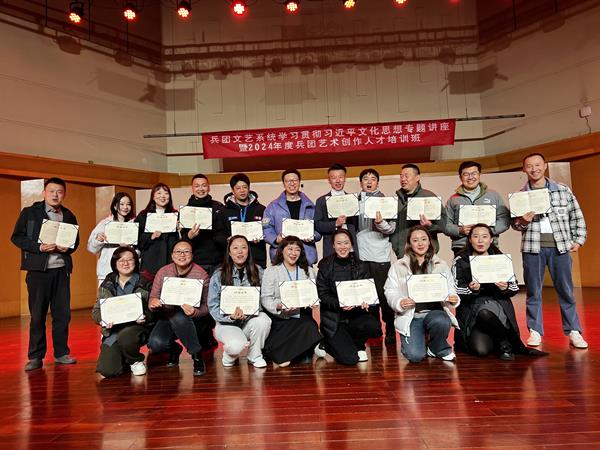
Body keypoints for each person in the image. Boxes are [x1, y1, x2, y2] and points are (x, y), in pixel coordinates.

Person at [511, 153, 588, 349]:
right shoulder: (520, 196)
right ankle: (535, 331)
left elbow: (576, 216)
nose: (534, 169)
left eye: (538, 165)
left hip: (560, 247)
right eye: (529, 166)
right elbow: (516, 226)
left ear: (544, 166)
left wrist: (579, 240)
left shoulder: (562, 190)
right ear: (524, 169)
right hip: (532, 248)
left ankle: (574, 331)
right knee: (533, 292)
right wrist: (523, 221)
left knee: (566, 290)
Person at [11, 177, 80, 372]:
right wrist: (39, 247)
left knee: (62, 314)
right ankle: (35, 356)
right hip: (38, 272)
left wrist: (68, 248)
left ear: (64, 194)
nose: (55, 195)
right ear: (44, 193)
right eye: (51, 191)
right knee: (37, 316)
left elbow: (75, 242)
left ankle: (61, 353)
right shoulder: (30, 213)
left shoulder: (69, 215)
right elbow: (16, 237)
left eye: (59, 191)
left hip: (61, 270)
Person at [452, 224, 548, 360]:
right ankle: (511, 342)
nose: (480, 240)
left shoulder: (500, 258)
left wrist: (504, 287)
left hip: (497, 303)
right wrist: (471, 289)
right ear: (470, 239)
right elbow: (455, 290)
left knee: (485, 312)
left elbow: (514, 288)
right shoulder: (460, 260)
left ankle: (505, 345)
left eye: (485, 237)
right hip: (472, 308)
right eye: (476, 236)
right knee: (481, 350)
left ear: (491, 239)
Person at [384, 225, 460, 363]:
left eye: (424, 239)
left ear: (429, 242)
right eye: (415, 240)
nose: (420, 243)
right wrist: (399, 302)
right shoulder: (399, 266)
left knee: (441, 320)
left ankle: (438, 348)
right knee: (415, 356)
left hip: (435, 313)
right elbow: (390, 290)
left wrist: (453, 298)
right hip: (412, 316)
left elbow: (450, 287)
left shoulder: (440, 264)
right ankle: (422, 340)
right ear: (409, 243)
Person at [316, 229, 382, 365]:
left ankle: (358, 344)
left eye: (346, 243)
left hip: (355, 317)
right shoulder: (325, 265)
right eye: (339, 243)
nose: (343, 247)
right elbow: (322, 294)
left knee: (373, 325)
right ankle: (326, 343)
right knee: (350, 360)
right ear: (333, 245)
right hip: (334, 320)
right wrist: (340, 303)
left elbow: (368, 291)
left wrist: (366, 302)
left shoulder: (361, 265)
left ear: (351, 244)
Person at [147, 240, 210, 376]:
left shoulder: (201, 274)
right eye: (178, 252)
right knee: (155, 343)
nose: (182, 255)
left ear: (192, 255)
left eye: (186, 251)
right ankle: (174, 349)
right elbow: (152, 298)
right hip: (167, 316)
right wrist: (153, 304)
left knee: (179, 317)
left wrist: (195, 312)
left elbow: (207, 306)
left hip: (193, 320)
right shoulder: (163, 272)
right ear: (172, 255)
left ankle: (197, 355)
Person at [208, 235, 272, 368]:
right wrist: (230, 317)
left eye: (244, 247)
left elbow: (264, 298)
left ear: (248, 251)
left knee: (263, 320)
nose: (240, 251)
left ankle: (255, 355)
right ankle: (229, 356)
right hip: (226, 323)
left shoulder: (259, 271)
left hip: (249, 320)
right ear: (229, 252)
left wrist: (250, 312)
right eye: (235, 248)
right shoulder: (219, 274)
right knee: (235, 346)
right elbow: (212, 305)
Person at [261, 236, 323, 367]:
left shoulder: (308, 270)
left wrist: (314, 301)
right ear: (282, 250)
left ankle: (285, 355)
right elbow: (265, 298)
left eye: (297, 250)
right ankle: (300, 349)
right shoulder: (271, 271)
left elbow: (315, 293)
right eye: (290, 249)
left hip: (301, 316)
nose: (293, 253)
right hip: (280, 318)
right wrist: (278, 306)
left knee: (310, 326)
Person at [92, 246, 153, 377]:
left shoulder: (145, 281)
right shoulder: (107, 283)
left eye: (130, 260)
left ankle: (135, 360)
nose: (126, 263)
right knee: (107, 371)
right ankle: (124, 359)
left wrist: (145, 316)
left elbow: (154, 310)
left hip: (137, 328)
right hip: (113, 331)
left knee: (126, 336)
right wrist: (103, 320)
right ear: (115, 263)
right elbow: (96, 312)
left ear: (136, 262)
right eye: (121, 260)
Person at [181, 173, 224, 349]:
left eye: (204, 185)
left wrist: (214, 232)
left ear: (209, 187)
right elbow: (182, 240)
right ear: (192, 188)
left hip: (218, 261)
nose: (201, 188)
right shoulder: (186, 210)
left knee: (216, 298)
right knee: (199, 300)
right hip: (197, 263)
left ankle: (215, 333)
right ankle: (203, 336)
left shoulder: (218, 207)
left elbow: (224, 233)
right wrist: (190, 236)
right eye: (197, 186)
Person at [356, 168, 397, 345]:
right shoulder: (354, 201)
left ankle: (390, 328)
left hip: (380, 255)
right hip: (361, 255)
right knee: (368, 294)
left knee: (383, 295)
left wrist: (380, 223)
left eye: (373, 179)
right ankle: (375, 329)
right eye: (365, 179)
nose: (369, 181)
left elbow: (391, 229)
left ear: (378, 183)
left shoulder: (386, 201)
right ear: (361, 183)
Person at [445, 161, 510, 255]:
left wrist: (487, 232)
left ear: (479, 175)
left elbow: (504, 219)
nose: (470, 177)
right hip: (461, 246)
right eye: (466, 174)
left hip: (489, 246)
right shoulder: (453, 199)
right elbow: (445, 224)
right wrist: (460, 230)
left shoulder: (493, 195)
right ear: (460, 177)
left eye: (474, 173)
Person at [263, 169, 321, 265]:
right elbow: (266, 227)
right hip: (281, 257)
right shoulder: (273, 206)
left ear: (299, 182)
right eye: (288, 181)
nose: (292, 183)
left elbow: (318, 228)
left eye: (295, 180)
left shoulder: (310, 206)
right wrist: (275, 239)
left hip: (306, 256)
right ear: (283, 184)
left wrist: (312, 236)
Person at [389, 164, 447, 258]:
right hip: (403, 255)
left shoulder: (429, 197)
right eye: (401, 176)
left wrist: (430, 225)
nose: (403, 179)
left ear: (417, 178)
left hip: (426, 255)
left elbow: (444, 226)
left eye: (406, 176)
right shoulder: (396, 201)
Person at [214, 173, 267, 268]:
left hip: (256, 257)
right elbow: (217, 235)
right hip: (233, 260)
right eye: (238, 188)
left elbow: (268, 229)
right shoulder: (224, 211)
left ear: (249, 188)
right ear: (232, 190)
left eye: (245, 187)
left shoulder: (261, 209)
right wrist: (228, 239)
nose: (242, 190)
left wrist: (261, 236)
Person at [87, 192, 136, 285]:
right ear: (115, 206)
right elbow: (91, 248)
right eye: (122, 204)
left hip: (129, 273)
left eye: (128, 204)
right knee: (106, 294)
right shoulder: (105, 223)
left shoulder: (134, 225)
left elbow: (139, 250)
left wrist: (130, 248)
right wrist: (98, 240)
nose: (125, 207)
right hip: (107, 272)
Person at [314, 163, 360, 258]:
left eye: (341, 177)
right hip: (331, 249)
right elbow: (317, 225)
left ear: (345, 178)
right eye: (334, 178)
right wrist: (335, 224)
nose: (338, 180)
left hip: (350, 248)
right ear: (329, 180)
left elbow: (355, 225)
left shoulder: (352, 200)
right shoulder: (321, 201)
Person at [135, 183, 180, 277]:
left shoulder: (175, 215)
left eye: (166, 193)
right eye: (159, 193)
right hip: (150, 261)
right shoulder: (144, 215)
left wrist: (179, 230)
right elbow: (136, 239)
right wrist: (151, 236)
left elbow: (182, 241)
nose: (162, 196)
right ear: (153, 196)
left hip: (170, 260)